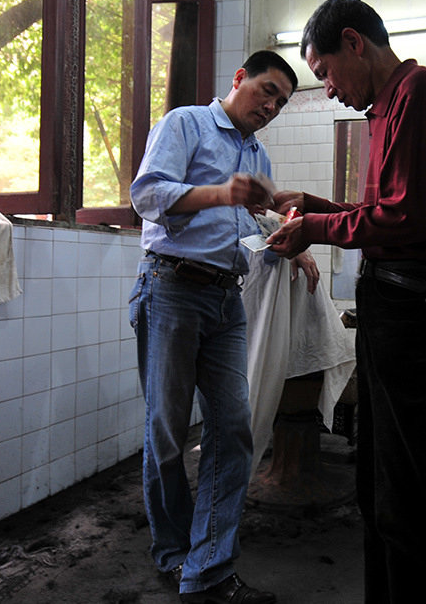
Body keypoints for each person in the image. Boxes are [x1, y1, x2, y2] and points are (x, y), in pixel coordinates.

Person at [266, 0, 426, 603]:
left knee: (408, 494)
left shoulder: (420, 93)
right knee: (379, 490)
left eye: (325, 72)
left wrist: (311, 230)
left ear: (354, 43)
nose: (327, 90)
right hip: (393, 311)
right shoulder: (387, 110)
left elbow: (405, 220)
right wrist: (313, 204)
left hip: (415, 312)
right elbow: (379, 214)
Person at [128, 49, 301, 604]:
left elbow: (246, 229)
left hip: (227, 298)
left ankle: (208, 569)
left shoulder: (260, 157)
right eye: (266, 90)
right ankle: (174, 553)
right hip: (171, 288)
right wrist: (223, 192)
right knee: (168, 433)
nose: (271, 105)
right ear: (239, 79)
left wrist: (288, 242)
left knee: (234, 430)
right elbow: (147, 195)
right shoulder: (187, 123)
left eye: (281, 101)